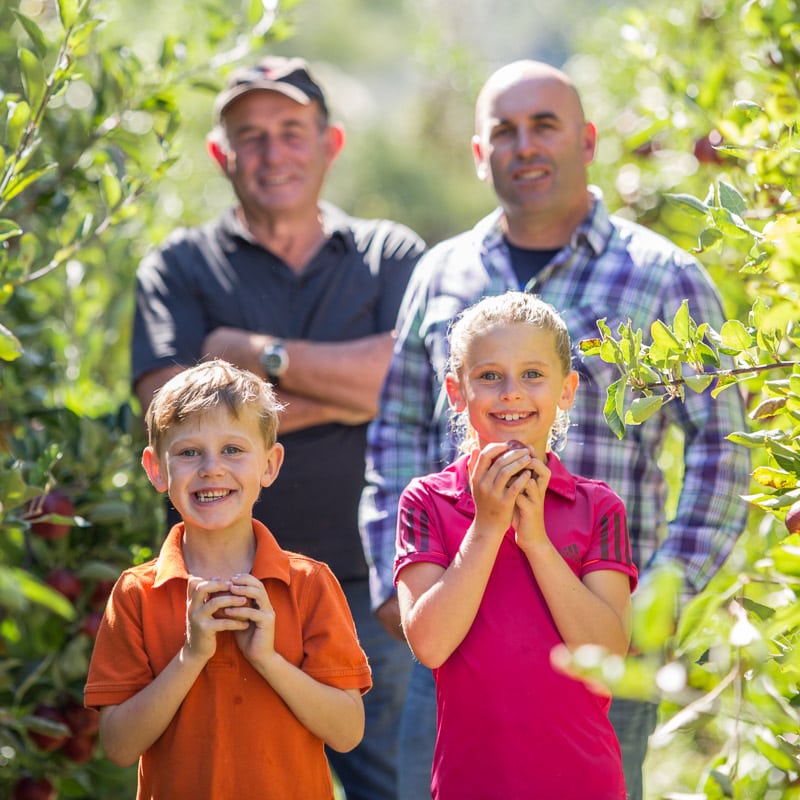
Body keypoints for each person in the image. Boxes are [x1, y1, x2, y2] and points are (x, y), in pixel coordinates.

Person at [360, 60, 751, 800]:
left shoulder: (663, 276)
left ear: (588, 141)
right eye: (503, 131)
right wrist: (398, 575)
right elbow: (399, 429)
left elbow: (721, 444)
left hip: (596, 628)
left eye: (545, 125)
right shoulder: (441, 274)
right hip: (459, 626)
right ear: (479, 154)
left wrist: (662, 593)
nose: (524, 145)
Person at [132, 56, 425, 799]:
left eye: (291, 131)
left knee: (388, 784)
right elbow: (168, 409)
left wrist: (252, 357)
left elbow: (409, 386)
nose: (272, 152)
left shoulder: (389, 255)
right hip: (212, 591)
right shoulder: (177, 267)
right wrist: (354, 389)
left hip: (372, 587)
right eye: (250, 136)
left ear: (330, 143)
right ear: (220, 155)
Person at [84, 360, 372, 799]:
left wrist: (269, 660)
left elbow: (348, 732)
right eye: (188, 452)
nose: (211, 468)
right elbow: (120, 747)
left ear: (270, 465)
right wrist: (191, 655)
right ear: (156, 469)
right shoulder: (136, 593)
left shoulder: (310, 583)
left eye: (233, 450)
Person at [396, 292, 637, 799]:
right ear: (456, 392)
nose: (511, 393)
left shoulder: (599, 508)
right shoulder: (426, 501)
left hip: (584, 782)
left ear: (566, 390)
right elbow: (431, 644)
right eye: (489, 376)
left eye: (532, 374)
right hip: (470, 783)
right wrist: (486, 528)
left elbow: (607, 655)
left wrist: (537, 543)